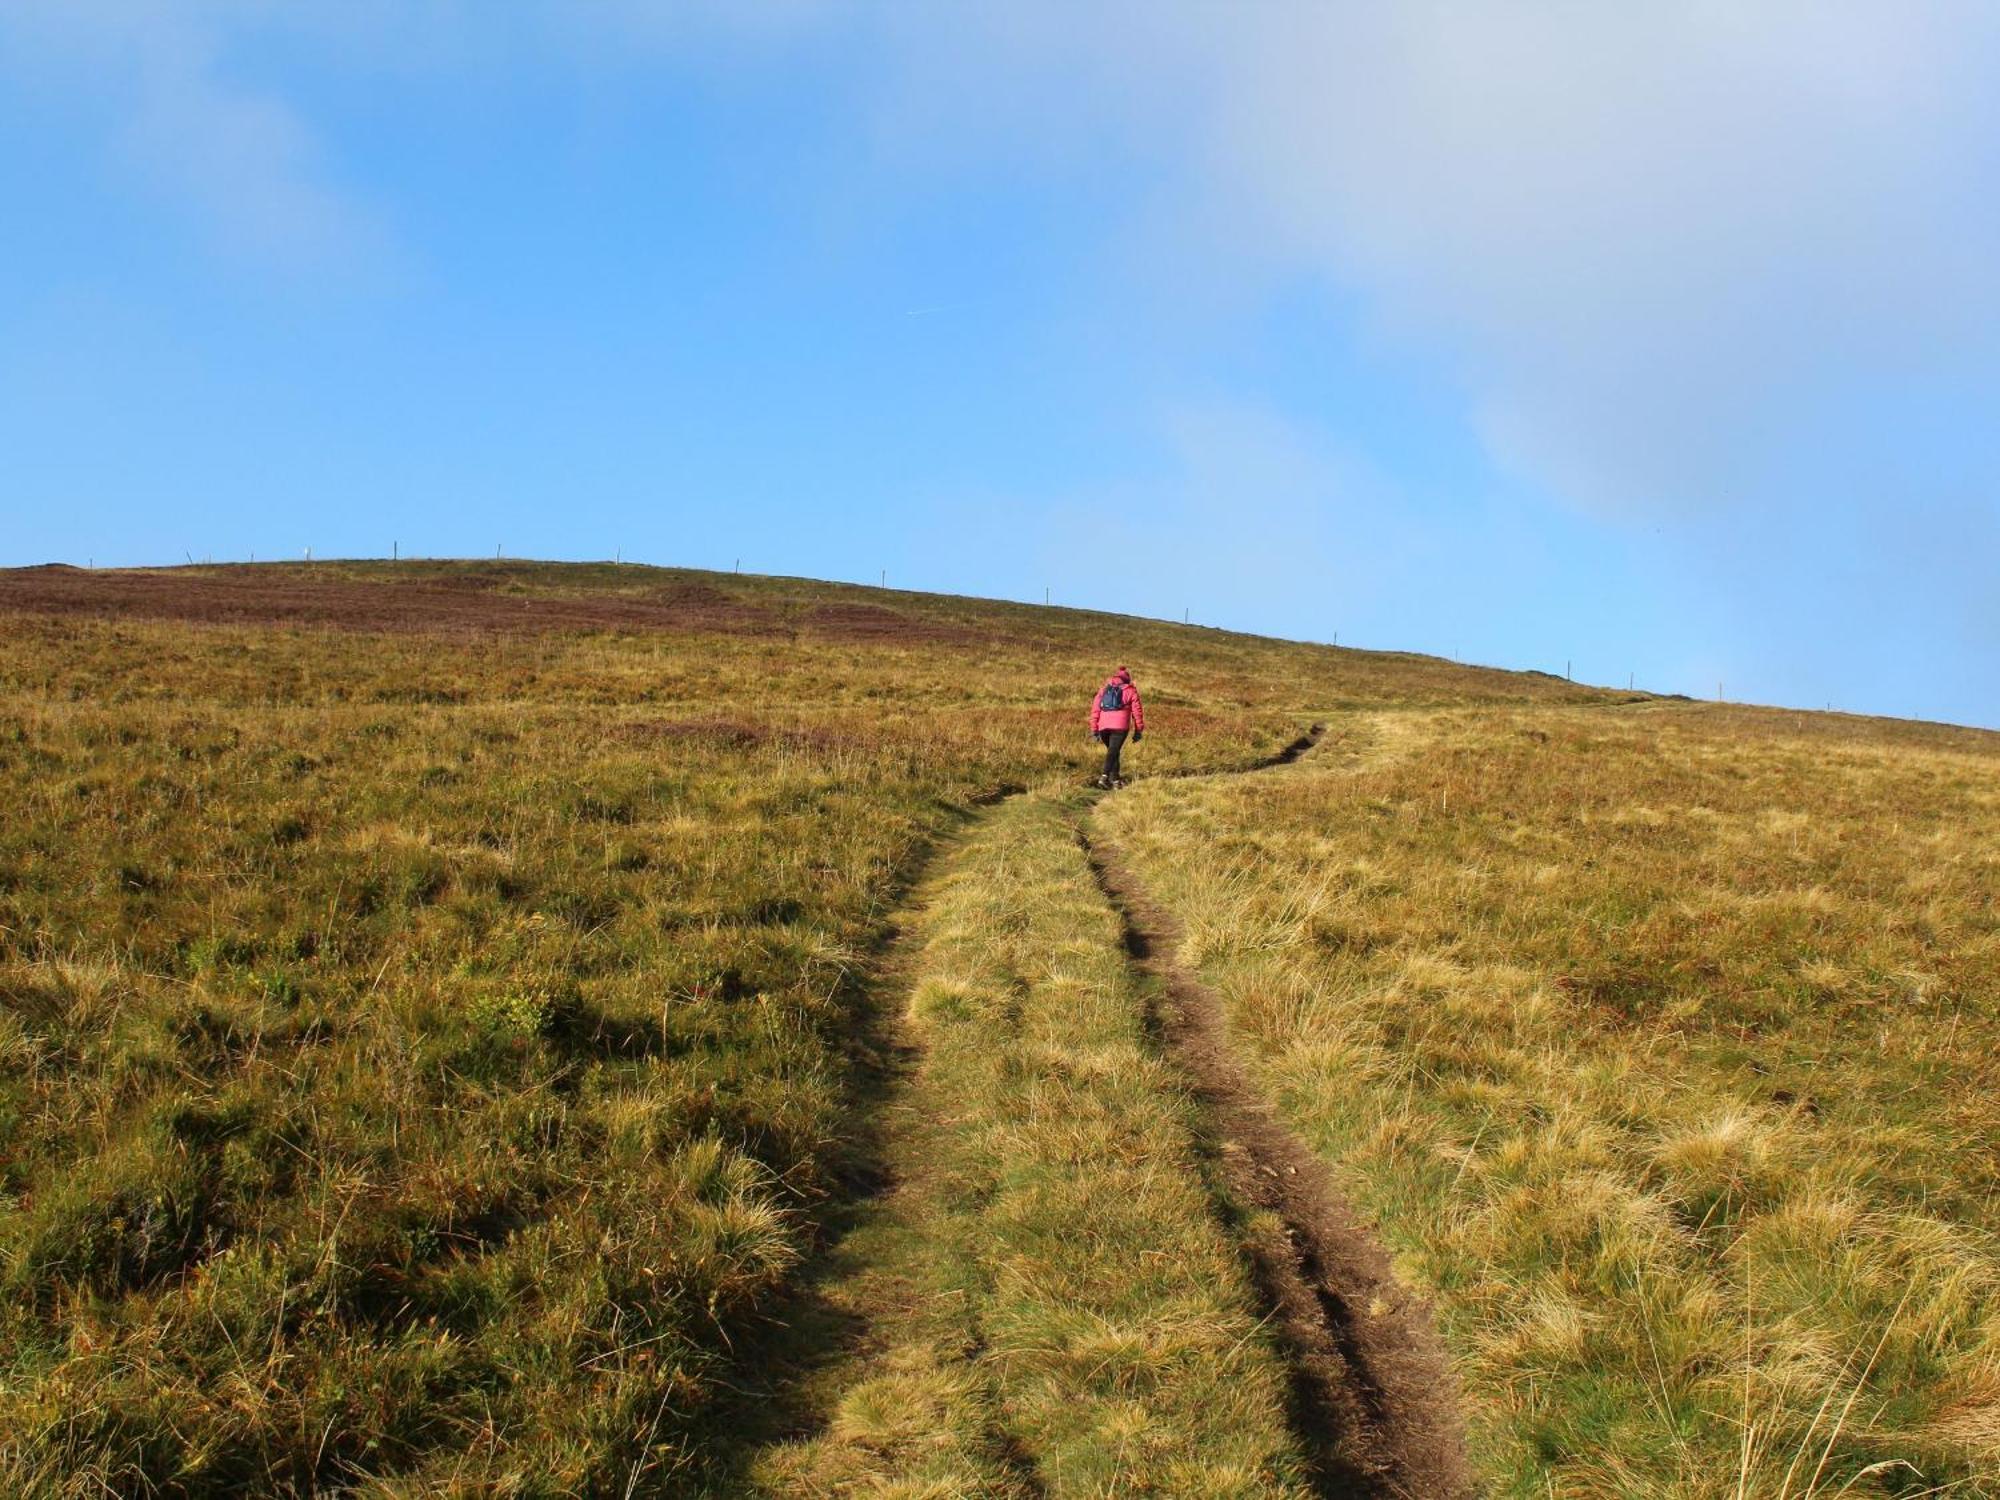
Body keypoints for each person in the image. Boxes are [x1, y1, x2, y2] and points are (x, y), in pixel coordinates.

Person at [1089, 665, 1144, 788]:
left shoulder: (1104, 689)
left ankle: (1116, 781)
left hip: (1103, 727)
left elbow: (1095, 710)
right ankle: (1104, 777)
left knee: (1113, 751)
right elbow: (1137, 712)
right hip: (1120, 727)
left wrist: (1094, 729)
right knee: (1113, 751)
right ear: (1127, 679)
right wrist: (1138, 730)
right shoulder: (1131, 690)